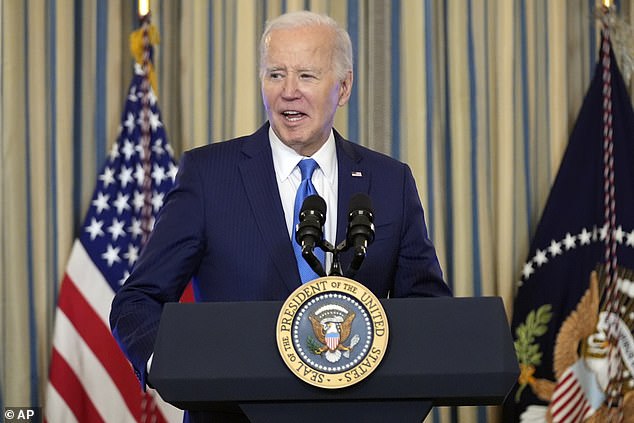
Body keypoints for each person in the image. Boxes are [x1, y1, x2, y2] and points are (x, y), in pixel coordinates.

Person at [110, 10, 452, 422]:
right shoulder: (208, 176)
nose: (289, 92)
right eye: (275, 75)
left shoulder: (389, 181)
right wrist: (166, 366)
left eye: (307, 76)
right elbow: (138, 299)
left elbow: (429, 312)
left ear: (343, 88)